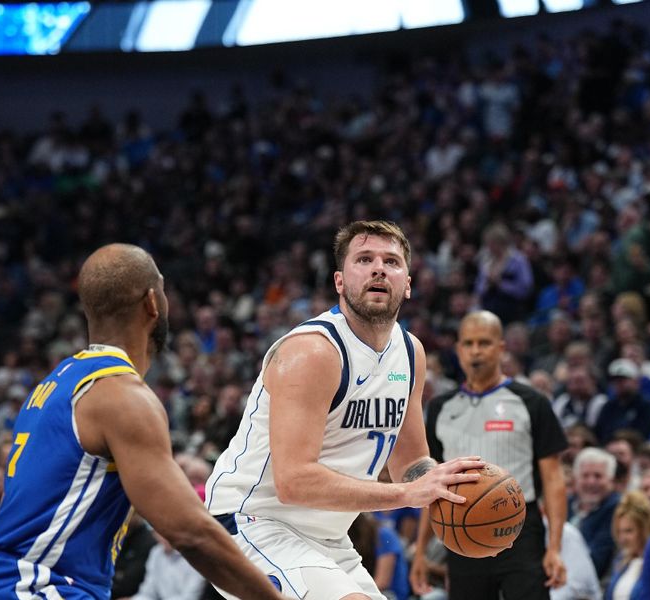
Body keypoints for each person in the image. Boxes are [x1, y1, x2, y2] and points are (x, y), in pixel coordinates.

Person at [0, 244, 284, 600]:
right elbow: (189, 531)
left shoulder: (57, 383)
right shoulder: (122, 396)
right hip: (32, 586)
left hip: (7, 581)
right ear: (152, 303)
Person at [206, 221, 484, 600]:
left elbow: (412, 460)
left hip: (328, 535)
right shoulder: (312, 352)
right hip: (251, 521)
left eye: (391, 261)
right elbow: (294, 482)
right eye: (364, 259)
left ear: (408, 283)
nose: (378, 269)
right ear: (339, 281)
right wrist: (406, 494)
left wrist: (449, 486)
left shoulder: (411, 353)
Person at [411, 310, 568, 600]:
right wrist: (421, 550)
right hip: (459, 527)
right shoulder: (440, 408)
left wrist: (555, 548)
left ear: (501, 348)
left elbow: (554, 480)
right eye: (468, 343)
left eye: (484, 343)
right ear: (458, 350)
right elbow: (431, 485)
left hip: (520, 527)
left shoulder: (531, 401)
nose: (475, 351)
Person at [568, 447, 621, 579]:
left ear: (611, 481)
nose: (591, 482)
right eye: (585, 475)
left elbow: (596, 562)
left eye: (598, 476)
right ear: (576, 479)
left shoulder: (616, 509)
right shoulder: (565, 504)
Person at [604, 490, 650, 600]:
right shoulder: (621, 559)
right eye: (619, 532)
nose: (622, 539)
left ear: (645, 529)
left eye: (628, 531)